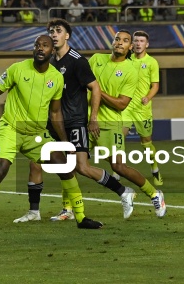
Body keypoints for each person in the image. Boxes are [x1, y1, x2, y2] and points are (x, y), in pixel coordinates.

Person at [0, 35, 104, 233]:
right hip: (11, 130)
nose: (40, 48)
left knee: (65, 168)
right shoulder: (17, 69)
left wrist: (65, 143)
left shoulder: (56, 78)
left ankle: (81, 217)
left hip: (37, 135)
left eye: (45, 45)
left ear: (51, 51)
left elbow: (56, 112)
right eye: (37, 45)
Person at [13, 20, 136, 224]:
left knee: (82, 167)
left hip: (75, 122)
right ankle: (35, 211)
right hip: (54, 122)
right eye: (51, 31)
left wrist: (93, 118)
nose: (54, 34)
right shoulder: (49, 62)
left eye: (58, 31)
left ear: (67, 36)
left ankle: (123, 192)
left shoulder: (77, 60)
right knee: (35, 163)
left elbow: (95, 88)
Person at [89, 30, 166, 218]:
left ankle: (154, 193)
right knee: (73, 163)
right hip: (87, 120)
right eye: (117, 39)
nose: (119, 43)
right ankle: (70, 208)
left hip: (112, 122)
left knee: (119, 166)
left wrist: (97, 90)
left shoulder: (131, 71)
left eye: (125, 41)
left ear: (129, 47)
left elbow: (122, 103)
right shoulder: (96, 59)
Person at [121, 31, 162, 186]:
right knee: (119, 139)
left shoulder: (151, 62)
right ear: (132, 44)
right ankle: (117, 171)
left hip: (142, 109)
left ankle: (155, 170)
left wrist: (148, 97)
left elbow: (155, 85)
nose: (138, 44)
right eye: (136, 41)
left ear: (147, 44)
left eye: (141, 41)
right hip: (126, 107)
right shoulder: (126, 59)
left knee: (146, 143)